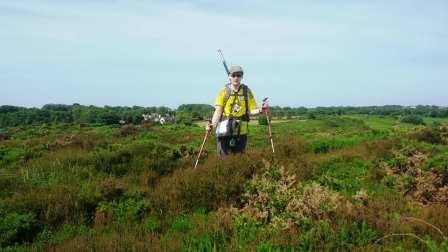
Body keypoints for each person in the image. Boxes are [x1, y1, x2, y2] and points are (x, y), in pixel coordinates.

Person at [206, 65, 268, 156]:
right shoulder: (223, 92)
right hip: (224, 131)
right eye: (233, 75)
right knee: (224, 160)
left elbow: (251, 110)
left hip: (241, 132)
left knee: (239, 160)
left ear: (242, 77)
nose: (236, 78)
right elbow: (218, 111)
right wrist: (212, 124)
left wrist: (260, 110)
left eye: (238, 75)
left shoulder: (247, 91)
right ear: (229, 77)